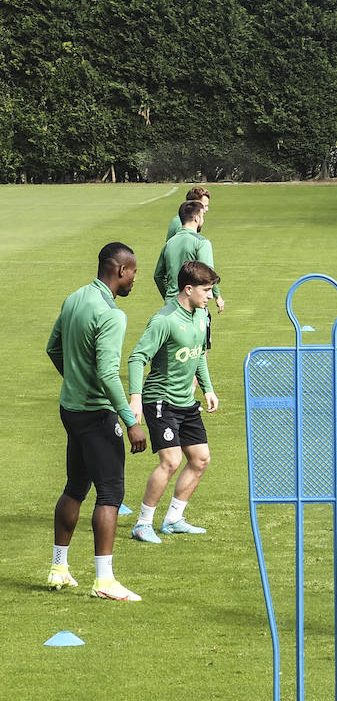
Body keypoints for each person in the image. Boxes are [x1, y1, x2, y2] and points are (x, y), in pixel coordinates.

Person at [46, 242, 149, 601]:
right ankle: (104, 581)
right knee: (110, 493)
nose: (136, 278)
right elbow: (107, 373)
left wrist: (72, 380)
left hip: (70, 409)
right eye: (134, 271)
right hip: (96, 414)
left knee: (75, 486)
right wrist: (130, 420)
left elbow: (53, 347)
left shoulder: (75, 298)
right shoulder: (111, 314)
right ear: (120, 270)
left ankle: (59, 568)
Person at [128, 260, 221, 543]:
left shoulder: (201, 315)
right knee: (171, 460)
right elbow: (137, 357)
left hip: (186, 401)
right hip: (160, 400)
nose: (210, 296)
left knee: (201, 459)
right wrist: (135, 398)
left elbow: (198, 354)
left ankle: (173, 519)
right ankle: (143, 523)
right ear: (188, 289)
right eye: (206, 290)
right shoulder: (164, 320)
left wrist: (207, 388)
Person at [155, 200, 225, 352]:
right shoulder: (201, 243)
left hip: (171, 306)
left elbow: (158, 276)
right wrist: (217, 295)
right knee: (198, 353)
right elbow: (208, 275)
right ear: (197, 218)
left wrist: (169, 295)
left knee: (175, 354)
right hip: (193, 306)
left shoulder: (169, 243)